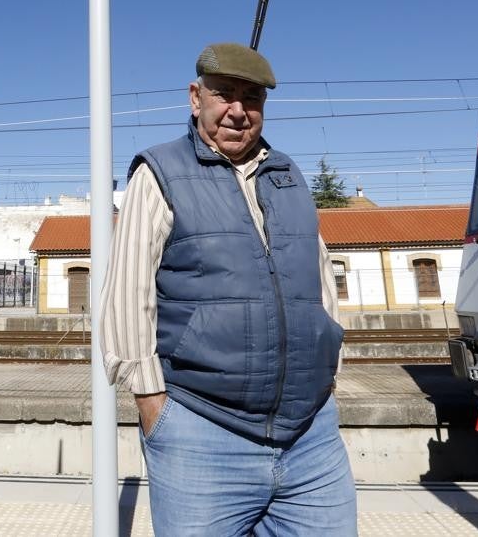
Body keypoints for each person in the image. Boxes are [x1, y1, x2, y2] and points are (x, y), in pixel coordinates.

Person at [100, 43, 356, 535]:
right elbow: (126, 297)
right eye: (225, 94)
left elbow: (319, 278)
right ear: (196, 98)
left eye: (252, 97)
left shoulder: (287, 175)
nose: (239, 111)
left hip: (311, 439)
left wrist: (329, 376)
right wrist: (154, 406)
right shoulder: (159, 173)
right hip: (201, 433)